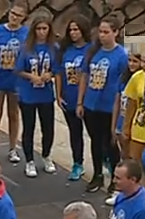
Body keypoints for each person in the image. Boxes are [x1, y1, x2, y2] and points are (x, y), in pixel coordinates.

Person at [77, 15, 127, 193]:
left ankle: (115, 176)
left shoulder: (121, 55)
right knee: (95, 141)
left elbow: (122, 85)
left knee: (110, 143)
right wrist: (80, 102)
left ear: (116, 32)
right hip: (91, 104)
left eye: (106, 32)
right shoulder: (93, 51)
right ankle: (97, 174)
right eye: (100, 32)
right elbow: (84, 75)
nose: (102, 36)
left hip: (108, 106)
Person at [0, 0, 28, 163]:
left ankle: (12, 148)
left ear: (23, 18)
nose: (14, 17)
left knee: (14, 114)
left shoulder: (26, 33)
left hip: (16, 79)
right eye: (13, 13)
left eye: (19, 15)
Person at [16, 14, 58, 178]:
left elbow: (57, 68)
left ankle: (47, 155)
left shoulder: (53, 47)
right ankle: (29, 160)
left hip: (46, 94)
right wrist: (30, 76)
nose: (41, 32)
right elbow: (18, 69)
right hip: (28, 94)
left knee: (48, 128)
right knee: (29, 127)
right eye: (39, 29)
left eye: (44, 29)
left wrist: (50, 74)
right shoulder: (26, 47)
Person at [55, 16, 91, 181]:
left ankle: (105, 160)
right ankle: (78, 163)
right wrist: (59, 95)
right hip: (69, 97)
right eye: (70, 30)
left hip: (89, 100)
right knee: (75, 132)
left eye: (76, 29)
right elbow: (59, 73)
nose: (73, 33)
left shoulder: (91, 49)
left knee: (95, 134)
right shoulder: (65, 50)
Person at [106, 50, 142, 206]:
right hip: (122, 122)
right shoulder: (124, 78)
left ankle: (134, 192)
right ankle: (120, 191)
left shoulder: (142, 81)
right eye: (130, 60)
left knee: (135, 162)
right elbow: (117, 102)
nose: (132, 64)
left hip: (136, 126)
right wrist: (114, 125)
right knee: (124, 158)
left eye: (135, 61)